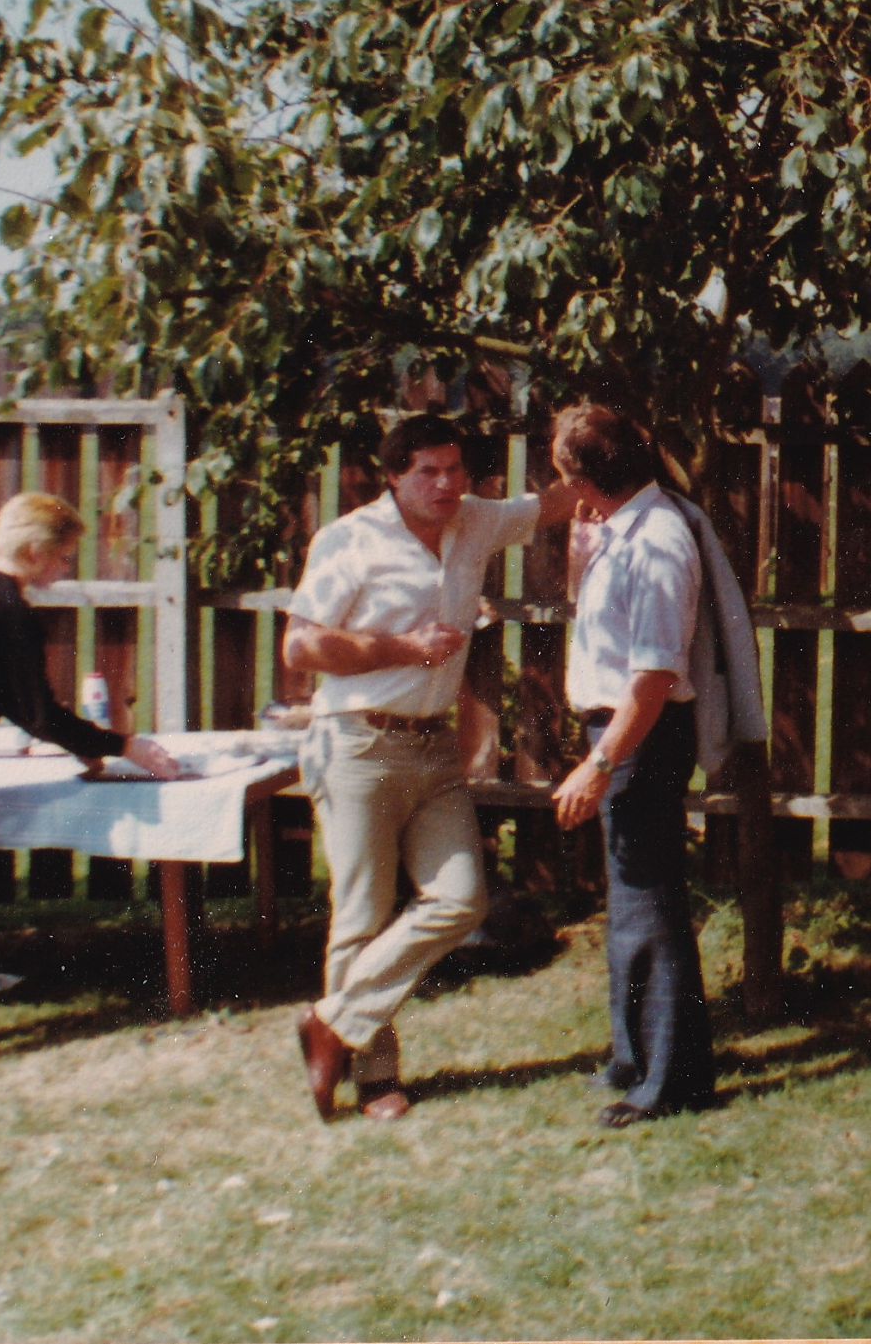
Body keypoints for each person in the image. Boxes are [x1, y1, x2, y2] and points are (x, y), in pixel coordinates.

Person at [284, 414, 575, 1122]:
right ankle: (374, 1077)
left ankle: (331, 1020)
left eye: (456, 470)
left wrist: (608, 449)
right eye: (427, 471)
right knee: (360, 916)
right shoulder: (349, 539)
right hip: (356, 743)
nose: (445, 485)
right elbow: (300, 646)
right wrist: (403, 648)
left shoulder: (475, 519)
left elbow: (557, 503)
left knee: (461, 899)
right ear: (393, 474)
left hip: (433, 746)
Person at [0, 493, 184, 1052]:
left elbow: (9, 698)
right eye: (63, 557)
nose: (67, 568)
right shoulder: (8, 610)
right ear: (34, 550)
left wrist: (86, 745)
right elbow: (39, 713)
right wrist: (125, 743)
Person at [546, 403, 720, 1128]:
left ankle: (670, 1080)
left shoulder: (657, 542)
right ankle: (633, 1058)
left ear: (583, 476)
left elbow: (651, 676)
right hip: (622, 732)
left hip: (638, 737)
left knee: (650, 902)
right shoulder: (620, 531)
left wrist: (598, 764)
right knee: (630, 899)